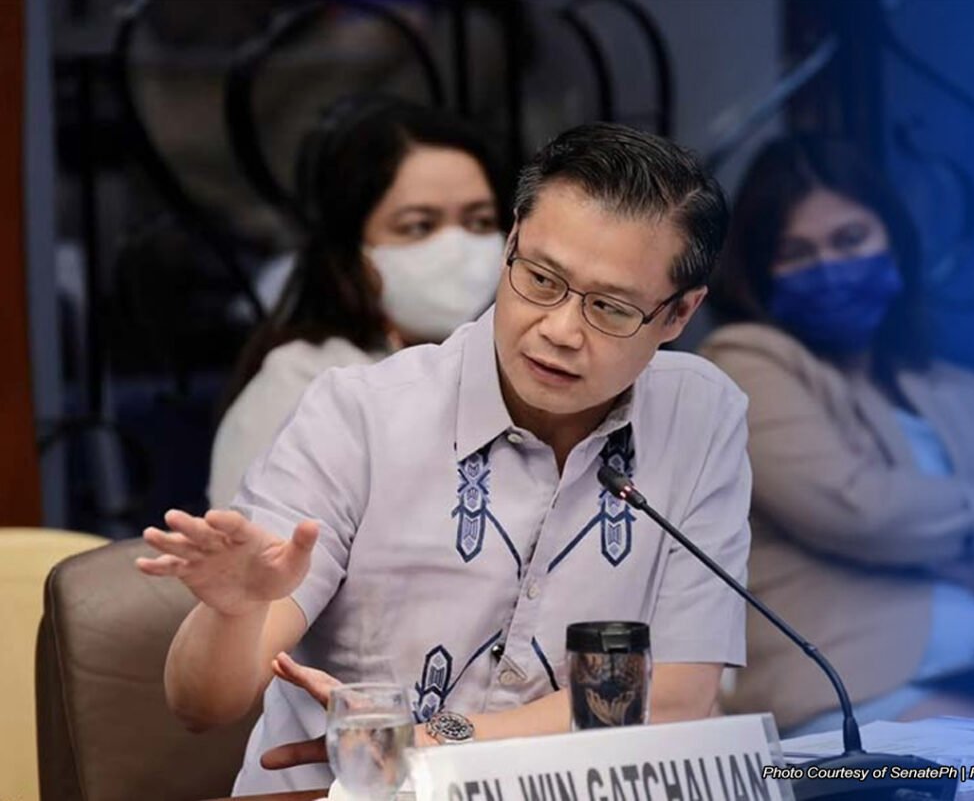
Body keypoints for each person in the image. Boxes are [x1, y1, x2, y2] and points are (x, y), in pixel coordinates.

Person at [138, 123, 750, 794]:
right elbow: (202, 706)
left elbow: (676, 700)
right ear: (510, 246)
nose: (560, 330)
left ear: (679, 314)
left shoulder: (700, 416)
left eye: (609, 308)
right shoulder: (359, 415)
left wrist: (431, 741)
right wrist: (234, 613)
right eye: (541, 279)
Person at [701, 136, 974, 735]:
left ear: (893, 241)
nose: (830, 268)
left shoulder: (955, 387)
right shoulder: (746, 362)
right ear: (761, 273)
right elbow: (856, 508)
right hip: (853, 688)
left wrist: (968, 554)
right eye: (797, 253)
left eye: (850, 240)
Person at [208, 95, 508, 509]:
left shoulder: (517, 371)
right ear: (351, 251)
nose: (456, 247)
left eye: (480, 222)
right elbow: (252, 546)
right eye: (419, 226)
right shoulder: (299, 390)